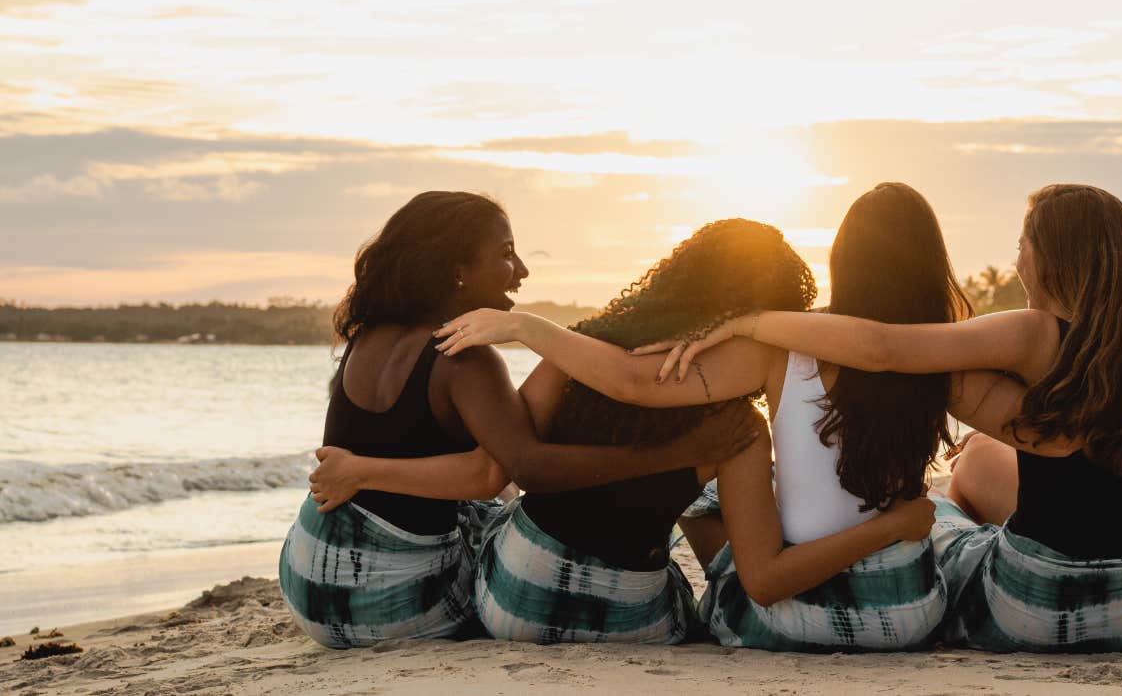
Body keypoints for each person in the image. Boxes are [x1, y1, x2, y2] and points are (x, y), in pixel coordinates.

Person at [434, 184, 1046, 652]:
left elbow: (632, 380)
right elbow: (1043, 431)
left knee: (714, 517)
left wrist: (526, 328)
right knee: (943, 515)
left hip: (788, 617)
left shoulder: (772, 349)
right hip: (909, 616)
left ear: (843, 259)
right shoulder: (944, 359)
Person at [634, 183, 1122, 653]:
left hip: (1028, 606)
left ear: (1056, 254)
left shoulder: (1034, 332)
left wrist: (751, 322)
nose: (1016, 260)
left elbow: (884, 349)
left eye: (1023, 243)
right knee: (981, 457)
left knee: (941, 521)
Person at [316, 217, 938, 645]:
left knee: (494, 523)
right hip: (629, 616)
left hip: (510, 604)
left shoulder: (579, 347)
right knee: (695, 540)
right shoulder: (736, 427)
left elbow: (497, 461)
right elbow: (763, 578)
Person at [281, 192, 756, 649]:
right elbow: (515, 470)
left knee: (485, 511)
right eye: (507, 253)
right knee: (505, 528)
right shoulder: (465, 359)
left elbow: (480, 469)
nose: (522, 270)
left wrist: (362, 470)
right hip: (390, 606)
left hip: (307, 580)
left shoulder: (367, 338)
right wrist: (683, 452)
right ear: (457, 270)